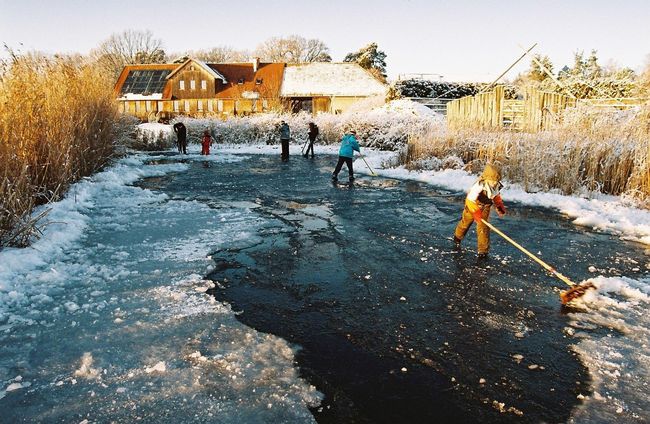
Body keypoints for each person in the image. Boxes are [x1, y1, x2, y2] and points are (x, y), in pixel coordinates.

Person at [453, 164, 507, 258]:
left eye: (496, 181)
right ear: (486, 179)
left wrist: (499, 206)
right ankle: (457, 237)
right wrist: (476, 212)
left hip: (485, 207)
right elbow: (470, 200)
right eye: (492, 181)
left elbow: (496, 197)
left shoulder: (496, 186)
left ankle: (483, 251)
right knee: (466, 223)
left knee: (483, 228)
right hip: (472, 206)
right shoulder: (479, 185)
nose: (494, 183)